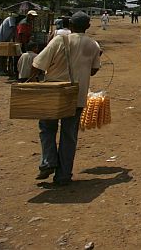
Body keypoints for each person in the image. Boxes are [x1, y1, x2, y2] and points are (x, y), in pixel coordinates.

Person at [31, 11, 101, 185]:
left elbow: (38, 64)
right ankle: (63, 175)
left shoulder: (59, 40)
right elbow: (94, 70)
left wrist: (30, 81)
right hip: (77, 94)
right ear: (88, 26)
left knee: (47, 128)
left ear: (70, 25)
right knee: (69, 135)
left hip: (54, 92)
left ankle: (48, 161)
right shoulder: (93, 45)